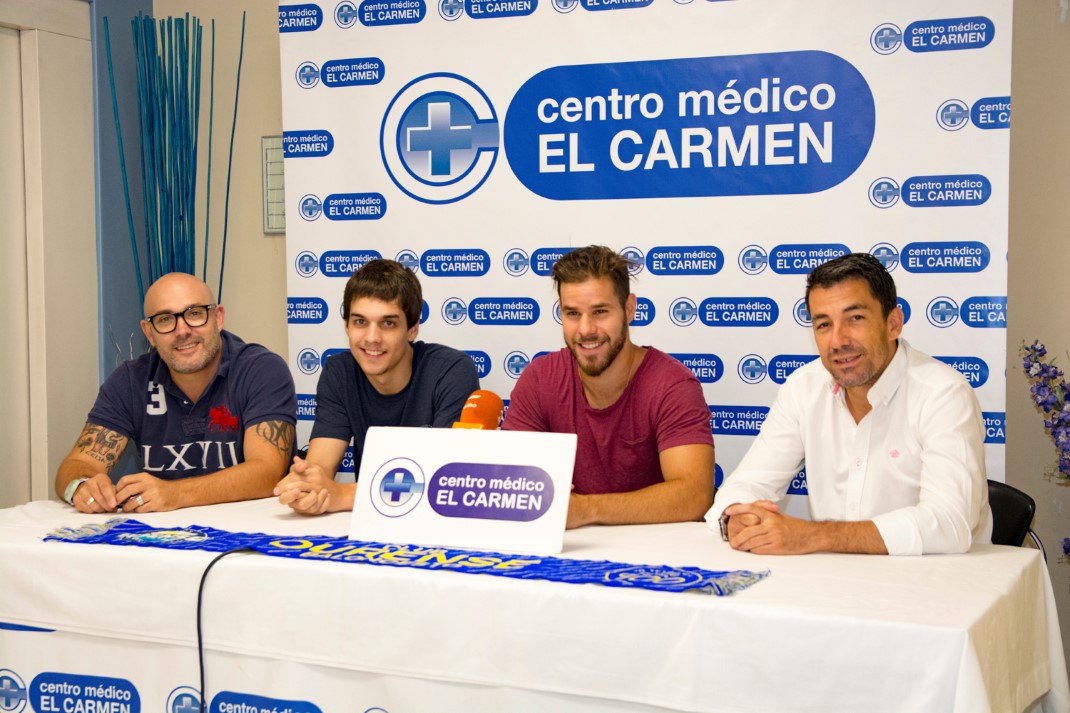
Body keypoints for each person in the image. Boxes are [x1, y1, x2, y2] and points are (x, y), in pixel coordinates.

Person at [707, 252, 992, 555]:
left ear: (893, 324)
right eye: (823, 324)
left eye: (855, 318)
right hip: (834, 578)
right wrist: (736, 516)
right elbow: (747, 483)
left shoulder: (943, 393)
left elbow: (949, 524)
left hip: (937, 578)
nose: (838, 340)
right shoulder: (803, 387)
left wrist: (812, 536)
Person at [503, 245, 715, 529]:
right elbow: (511, 483)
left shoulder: (672, 385)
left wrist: (586, 509)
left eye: (600, 312)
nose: (586, 329)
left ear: (629, 309)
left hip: (652, 551)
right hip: (566, 548)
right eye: (572, 313)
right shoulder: (539, 379)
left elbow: (695, 496)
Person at [56, 272, 297, 513]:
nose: (182, 331)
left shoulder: (261, 370)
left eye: (195, 314)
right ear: (149, 333)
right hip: (161, 531)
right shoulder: (130, 380)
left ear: (218, 318)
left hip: (246, 526)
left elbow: (268, 472)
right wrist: (82, 486)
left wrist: (175, 493)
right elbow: (76, 464)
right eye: (165, 319)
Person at [275, 259, 480, 515]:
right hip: (371, 523)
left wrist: (343, 495)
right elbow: (320, 468)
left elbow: (445, 480)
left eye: (388, 323)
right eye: (360, 322)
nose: (372, 338)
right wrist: (307, 489)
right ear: (346, 326)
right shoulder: (339, 372)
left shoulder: (452, 371)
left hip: (433, 524)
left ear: (412, 329)